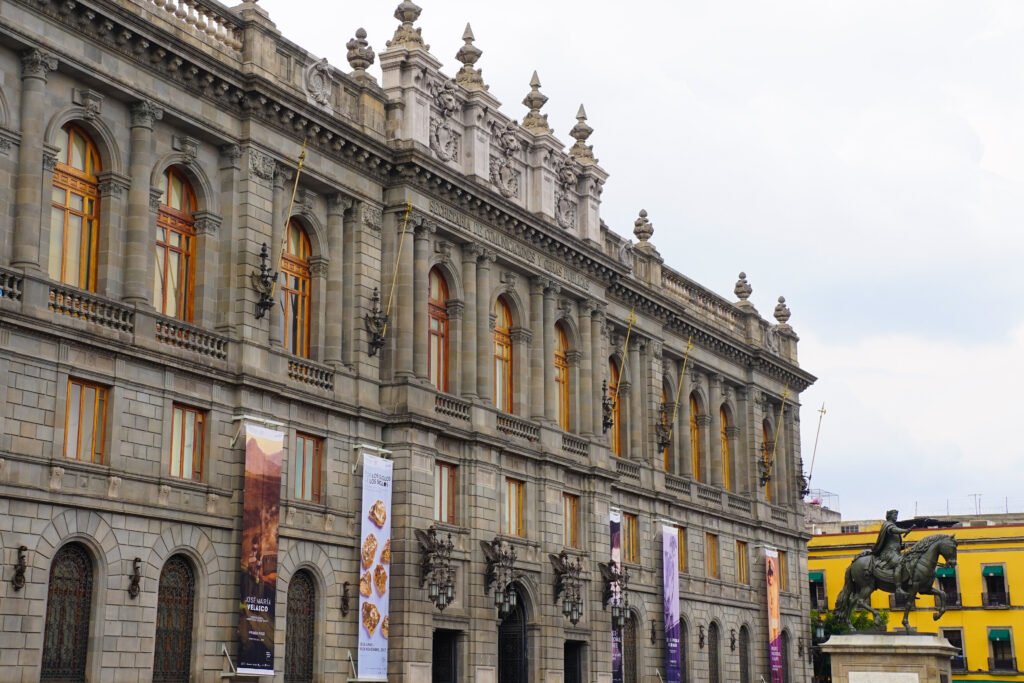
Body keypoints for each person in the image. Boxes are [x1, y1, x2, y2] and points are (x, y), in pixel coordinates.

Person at [872, 509, 911, 593]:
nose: (896, 517)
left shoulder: (893, 526)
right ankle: (898, 588)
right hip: (888, 553)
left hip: (895, 553)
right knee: (899, 564)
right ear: (889, 516)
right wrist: (905, 530)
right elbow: (893, 530)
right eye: (894, 515)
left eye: (897, 515)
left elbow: (895, 544)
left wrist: (902, 546)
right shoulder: (888, 525)